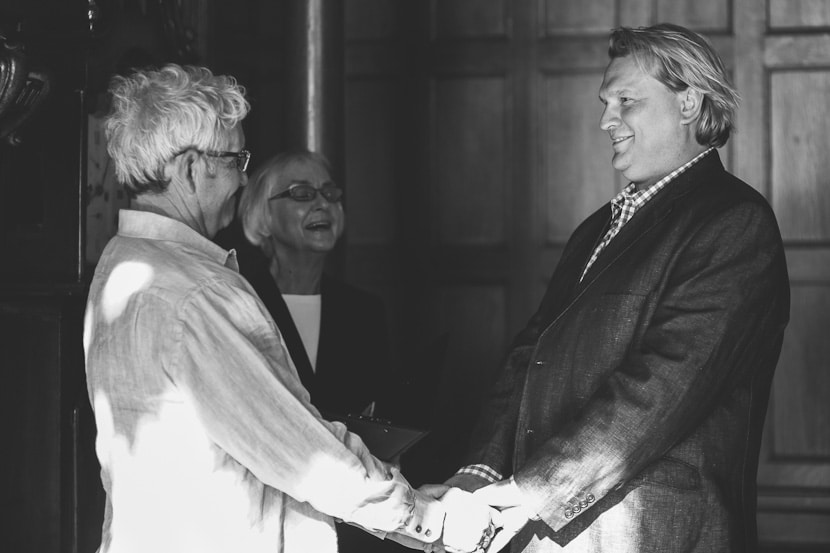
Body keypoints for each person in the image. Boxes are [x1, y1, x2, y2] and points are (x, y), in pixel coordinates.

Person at [82, 63, 496, 553]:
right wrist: (432, 522)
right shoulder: (199, 293)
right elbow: (302, 455)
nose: (243, 179)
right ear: (191, 168)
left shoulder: (119, 264)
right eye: (236, 160)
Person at [444, 23, 791, 553]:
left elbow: (663, 386)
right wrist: (477, 472)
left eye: (626, 100)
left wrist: (532, 490)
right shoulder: (596, 227)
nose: (606, 120)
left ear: (689, 103)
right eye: (606, 102)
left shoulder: (735, 221)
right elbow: (528, 356)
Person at [216, 151, 391, 421]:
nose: (323, 203)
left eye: (329, 193)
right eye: (302, 193)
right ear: (263, 215)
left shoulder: (366, 310)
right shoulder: (239, 301)